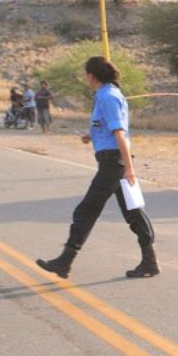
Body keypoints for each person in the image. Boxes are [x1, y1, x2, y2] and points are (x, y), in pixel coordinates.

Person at [37, 57, 159, 279]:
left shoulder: (107, 97)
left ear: (92, 76)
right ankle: (150, 261)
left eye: (86, 75)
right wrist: (89, 135)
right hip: (115, 161)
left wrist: (129, 168)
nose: (86, 79)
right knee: (133, 212)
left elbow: (119, 133)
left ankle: (65, 261)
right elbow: (106, 128)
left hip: (114, 163)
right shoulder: (108, 94)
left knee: (86, 210)